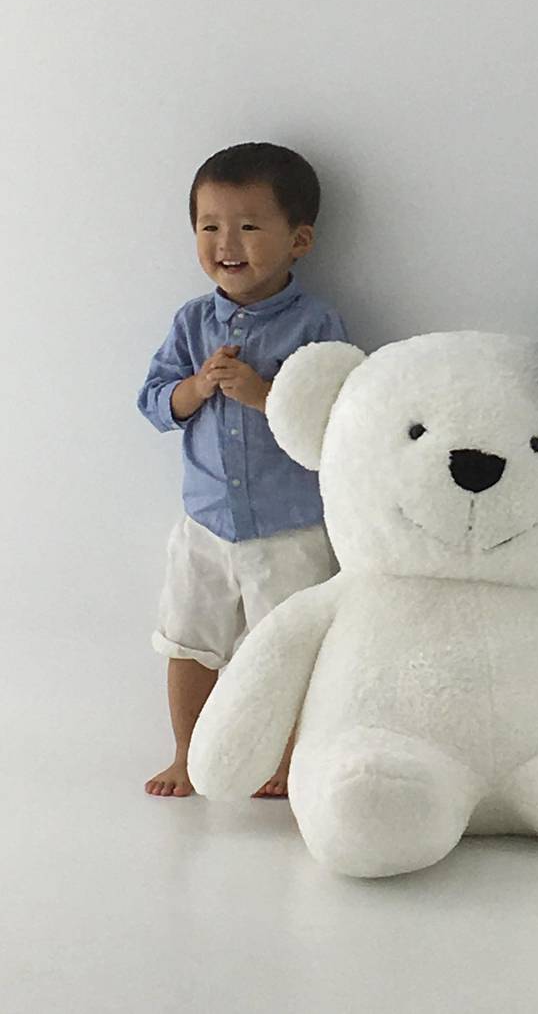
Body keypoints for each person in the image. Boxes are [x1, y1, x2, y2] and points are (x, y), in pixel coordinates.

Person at [138, 142, 348, 798]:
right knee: (187, 641)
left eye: (249, 226)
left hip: (289, 528)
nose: (226, 244)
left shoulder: (315, 323)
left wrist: (261, 394)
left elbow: (337, 417)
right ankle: (187, 753)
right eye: (210, 226)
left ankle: (287, 760)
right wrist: (198, 387)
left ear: (299, 239)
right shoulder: (192, 322)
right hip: (205, 525)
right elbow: (155, 402)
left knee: (288, 650)